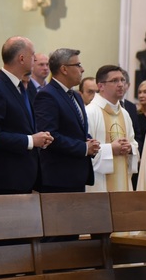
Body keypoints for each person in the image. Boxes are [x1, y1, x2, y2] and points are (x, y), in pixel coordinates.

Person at [0, 37, 53, 195]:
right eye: (32, 55)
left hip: (23, 176)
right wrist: (31, 140)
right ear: (21, 58)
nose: (34, 59)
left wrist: (40, 138)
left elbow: (22, 125)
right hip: (5, 179)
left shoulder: (20, 86)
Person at [33, 48, 100, 193]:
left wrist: (89, 142)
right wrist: (83, 148)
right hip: (58, 178)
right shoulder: (47, 95)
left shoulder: (75, 95)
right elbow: (50, 136)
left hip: (77, 175)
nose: (82, 69)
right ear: (64, 69)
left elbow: (76, 130)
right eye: (77, 65)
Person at [86, 65, 138, 192]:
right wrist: (111, 149)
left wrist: (130, 148)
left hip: (123, 181)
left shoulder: (125, 114)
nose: (120, 84)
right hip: (99, 184)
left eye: (122, 80)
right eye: (114, 81)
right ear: (100, 86)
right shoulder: (90, 112)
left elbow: (133, 142)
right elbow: (85, 149)